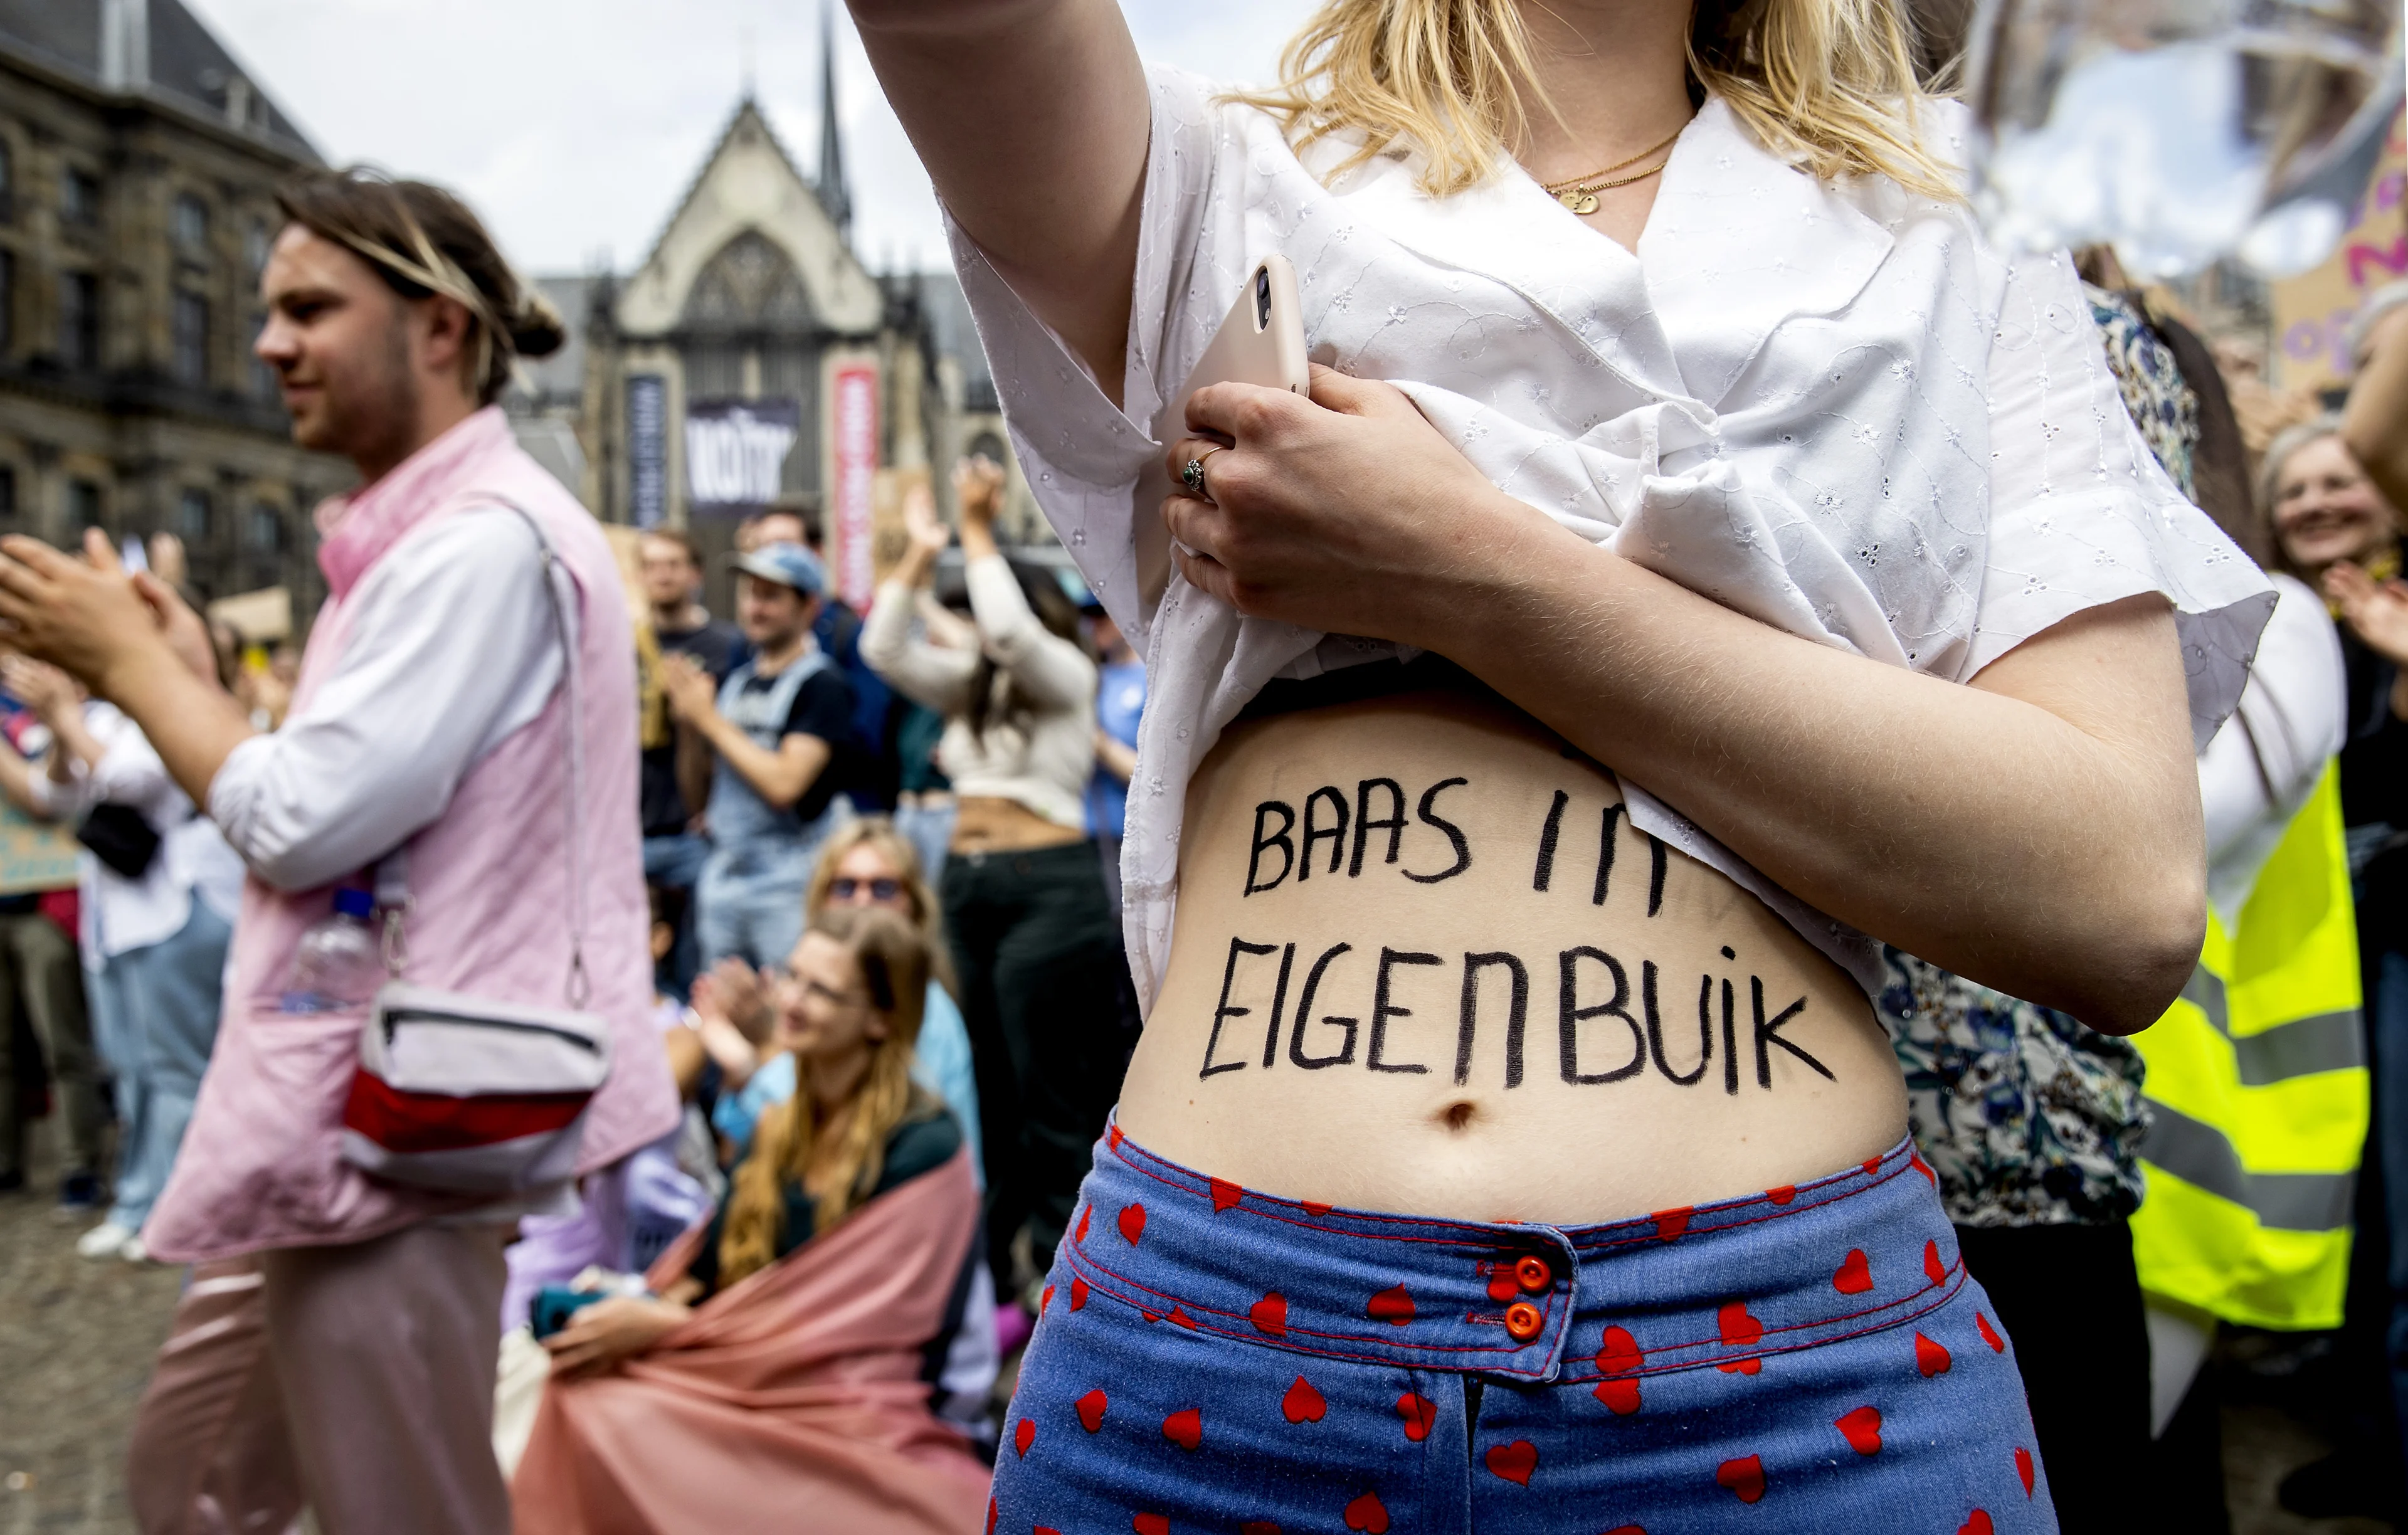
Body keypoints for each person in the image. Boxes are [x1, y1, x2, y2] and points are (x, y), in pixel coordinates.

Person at [853, 0, 2273, 1526]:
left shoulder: (1953, 237)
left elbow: (2114, 890)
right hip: (1219, 1350)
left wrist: (1461, 568)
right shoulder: (1219, 176)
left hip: (1782, 1372)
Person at [0, 168, 678, 1535]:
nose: (268, 343)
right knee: (190, 1482)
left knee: (396, 1509)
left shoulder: (481, 543)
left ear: (438, 328)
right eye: (266, 309)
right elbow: (345, 799)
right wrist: (189, 681)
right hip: (350, 1107)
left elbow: (303, 817)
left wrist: (135, 666)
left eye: (310, 306)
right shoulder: (439, 538)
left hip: (403, 1122)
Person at [511, 905, 991, 1535]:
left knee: (609, 1415)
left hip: (843, 1405)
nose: (790, 1000)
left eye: (820, 990)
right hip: (733, 1373)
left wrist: (662, 1328)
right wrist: (636, 1306)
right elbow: (707, 1272)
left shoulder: (925, 1147)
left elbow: (855, 1331)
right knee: (546, 1372)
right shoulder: (778, 1126)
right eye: (792, 977)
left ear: (880, 1017)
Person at [862, 454, 1122, 1299]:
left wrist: (979, 529)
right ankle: (989, 1284)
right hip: (968, 889)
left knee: (1050, 1100)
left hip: (1050, 891)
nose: (973, 623)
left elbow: (1010, 635)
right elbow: (882, 644)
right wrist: (919, 551)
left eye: (981, 602)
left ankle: (1060, 1283)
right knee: (987, 1091)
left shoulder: (1068, 679)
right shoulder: (974, 694)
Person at [2259, 413, 2408, 1515]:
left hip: (2397, 947)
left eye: (2340, 479)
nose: (2318, 501)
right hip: (2317, 965)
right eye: (2295, 488)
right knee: (2358, 1208)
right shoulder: (2276, 629)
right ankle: (2367, 1427)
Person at [0, 653, 244, 1264]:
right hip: (115, 923)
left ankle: (189, 1211)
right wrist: (61, 729)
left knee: (177, 1075)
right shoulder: (97, 718)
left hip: (174, 910)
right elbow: (55, 794)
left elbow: (130, 779)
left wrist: (63, 715)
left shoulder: (160, 705)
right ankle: (139, 1202)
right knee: (130, 1068)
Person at [665, 541, 855, 970]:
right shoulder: (736, 683)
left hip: (790, 882)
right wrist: (689, 728)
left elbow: (785, 785)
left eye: (771, 597)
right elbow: (700, 799)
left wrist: (708, 720)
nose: (756, 608)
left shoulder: (822, 687)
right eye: (751, 594)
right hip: (725, 874)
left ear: (808, 607)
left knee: (792, 1006)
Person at [0, 688, 103, 1211]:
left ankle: (78, 1165)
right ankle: (6, 1165)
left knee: (61, 1044)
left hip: (42, 898)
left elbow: (44, 798)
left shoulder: (34, 703)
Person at [636, 528, 743, 999]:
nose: (663, 575)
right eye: (653, 565)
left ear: (695, 574)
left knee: (697, 970)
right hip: (630, 828)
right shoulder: (624, 645)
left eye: (673, 564)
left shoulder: (726, 645)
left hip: (695, 830)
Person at [1086, 606, 1143, 911]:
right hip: (1084, 833)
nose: (1093, 625)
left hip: (1132, 836)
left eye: (1103, 616)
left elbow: (1156, 777)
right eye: (1089, 617)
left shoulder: (1151, 678)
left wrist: (1100, 745)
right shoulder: (1090, 678)